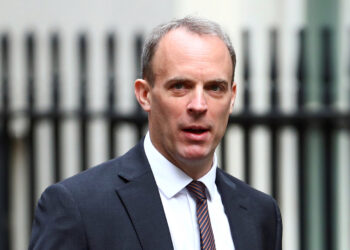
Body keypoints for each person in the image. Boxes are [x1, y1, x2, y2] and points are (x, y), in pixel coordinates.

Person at [29, 16, 282, 250]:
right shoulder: (79, 208)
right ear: (145, 95)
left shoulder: (261, 214)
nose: (198, 105)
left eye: (215, 88)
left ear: (232, 97)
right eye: (180, 86)